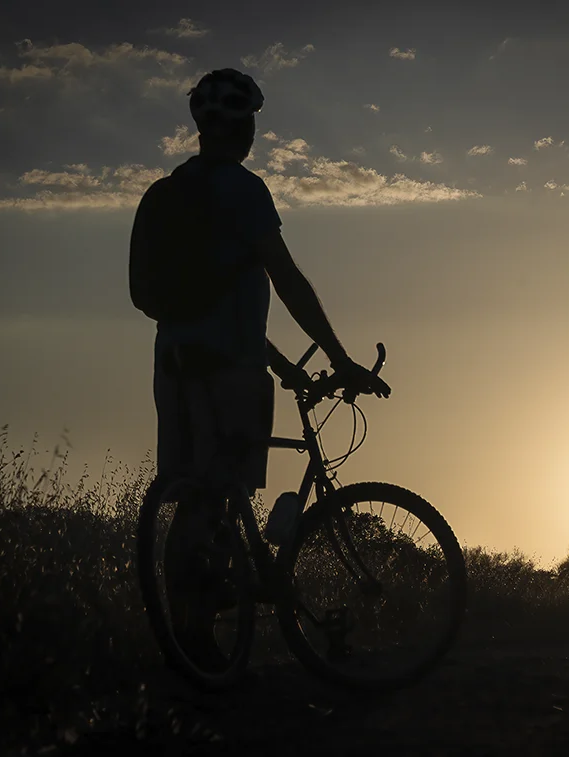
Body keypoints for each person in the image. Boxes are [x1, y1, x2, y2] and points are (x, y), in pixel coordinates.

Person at [131, 68, 390, 670]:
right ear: (244, 129)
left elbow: (213, 303)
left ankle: (188, 634)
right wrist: (340, 358)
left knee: (194, 493)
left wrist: (284, 366)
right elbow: (287, 280)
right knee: (222, 492)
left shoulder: (171, 192)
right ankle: (202, 626)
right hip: (229, 370)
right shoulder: (244, 191)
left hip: (173, 361)